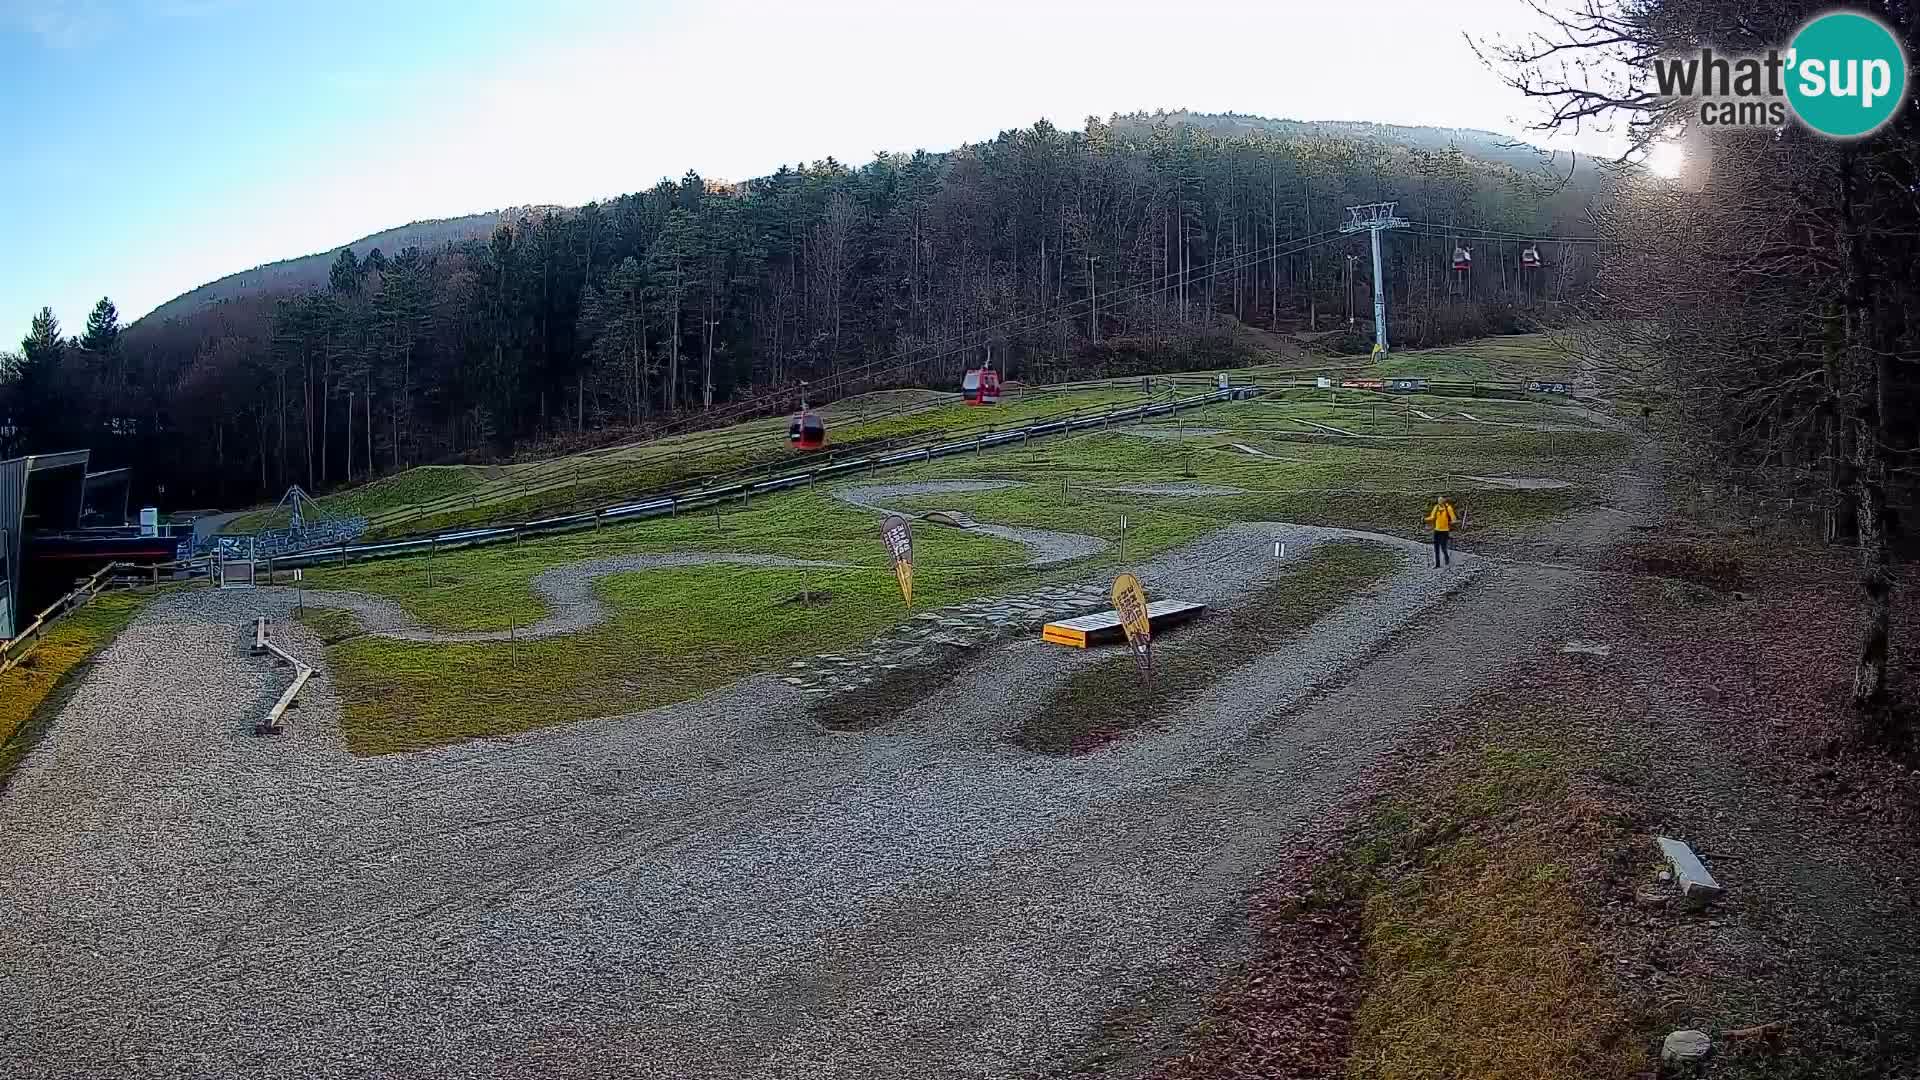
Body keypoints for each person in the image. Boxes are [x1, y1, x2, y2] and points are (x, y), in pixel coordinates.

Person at [1424, 494, 1461, 567]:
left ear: (1444, 500)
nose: (1440, 502)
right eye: (1439, 500)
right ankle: (1437, 564)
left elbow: (1453, 518)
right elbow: (1432, 517)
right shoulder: (1436, 507)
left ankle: (1446, 557)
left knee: (1443, 547)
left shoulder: (1448, 508)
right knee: (1436, 547)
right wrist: (1425, 519)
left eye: (1441, 500)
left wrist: (1453, 521)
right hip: (1437, 530)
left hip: (1445, 531)